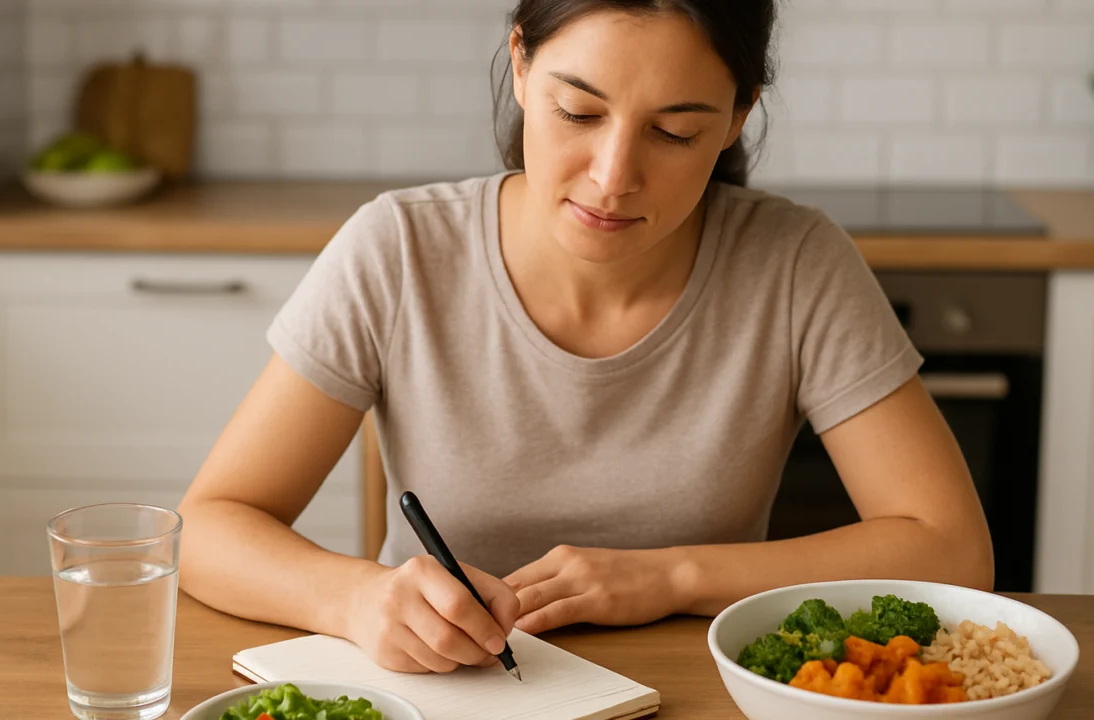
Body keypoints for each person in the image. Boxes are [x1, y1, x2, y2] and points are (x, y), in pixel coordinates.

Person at [176, 0, 994, 677]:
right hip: (448, 693)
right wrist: (354, 599)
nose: (612, 176)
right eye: (579, 111)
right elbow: (210, 526)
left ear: (738, 116)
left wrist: (670, 575)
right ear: (522, 66)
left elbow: (952, 549)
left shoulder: (795, 263)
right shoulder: (398, 249)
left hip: (700, 691)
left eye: (674, 132)